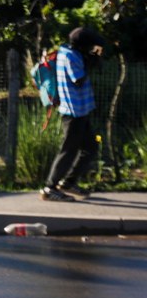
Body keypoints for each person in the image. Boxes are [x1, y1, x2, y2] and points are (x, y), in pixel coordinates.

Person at [41, 27, 106, 201]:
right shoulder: (70, 55)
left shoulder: (71, 52)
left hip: (81, 111)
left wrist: (90, 59)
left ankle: (68, 183)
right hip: (73, 113)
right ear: (83, 44)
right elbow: (77, 80)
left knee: (91, 147)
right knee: (68, 150)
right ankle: (50, 187)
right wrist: (91, 62)